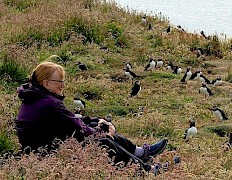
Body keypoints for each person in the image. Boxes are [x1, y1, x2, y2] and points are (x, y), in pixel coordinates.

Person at [16, 61, 168, 172]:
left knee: (97, 128)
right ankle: (145, 169)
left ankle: (140, 153)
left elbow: (70, 119)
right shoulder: (48, 103)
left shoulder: (37, 97)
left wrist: (97, 122)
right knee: (101, 141)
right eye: (59, 81)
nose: (63, 84)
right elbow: (77, 127)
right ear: (46, 83)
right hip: (46, 152)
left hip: (44, 145)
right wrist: (104, 132)